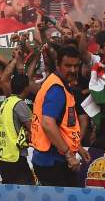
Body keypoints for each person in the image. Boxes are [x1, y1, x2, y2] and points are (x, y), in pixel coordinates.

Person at [30, 45, 90, 187]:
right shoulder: (57, 89)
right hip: (53, 161)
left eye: (76, 66)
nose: (73, 70)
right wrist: (69, 154)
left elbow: (63, 125)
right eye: (68, 65)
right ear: (58, 64)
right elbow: (48, 124)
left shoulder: (57, 82)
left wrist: (77, 147)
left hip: (50, 159)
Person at [0, 73, 34, 185]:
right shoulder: (20, 104)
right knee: (27, 192)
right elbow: (33, 128)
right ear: (26, 88)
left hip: (4, 156)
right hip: (16, 156)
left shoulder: (6, 102)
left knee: (8, 192)